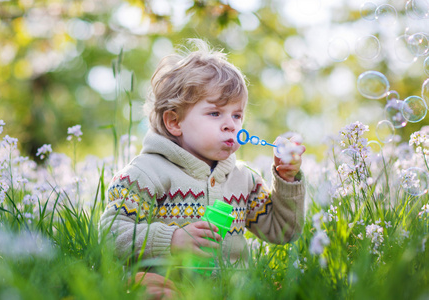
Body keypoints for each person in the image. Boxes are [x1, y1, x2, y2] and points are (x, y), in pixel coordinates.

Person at [99, 38, 305, 298]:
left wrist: (287, 179)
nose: (231, 124)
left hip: (231, 292)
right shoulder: (145, 173)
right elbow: (110, 234)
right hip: (171, 287)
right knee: (144, 284)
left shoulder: (244, 179)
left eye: (237, 115)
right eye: (215, 114)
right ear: (175, 122)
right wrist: (172, 239)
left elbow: (283, 232)